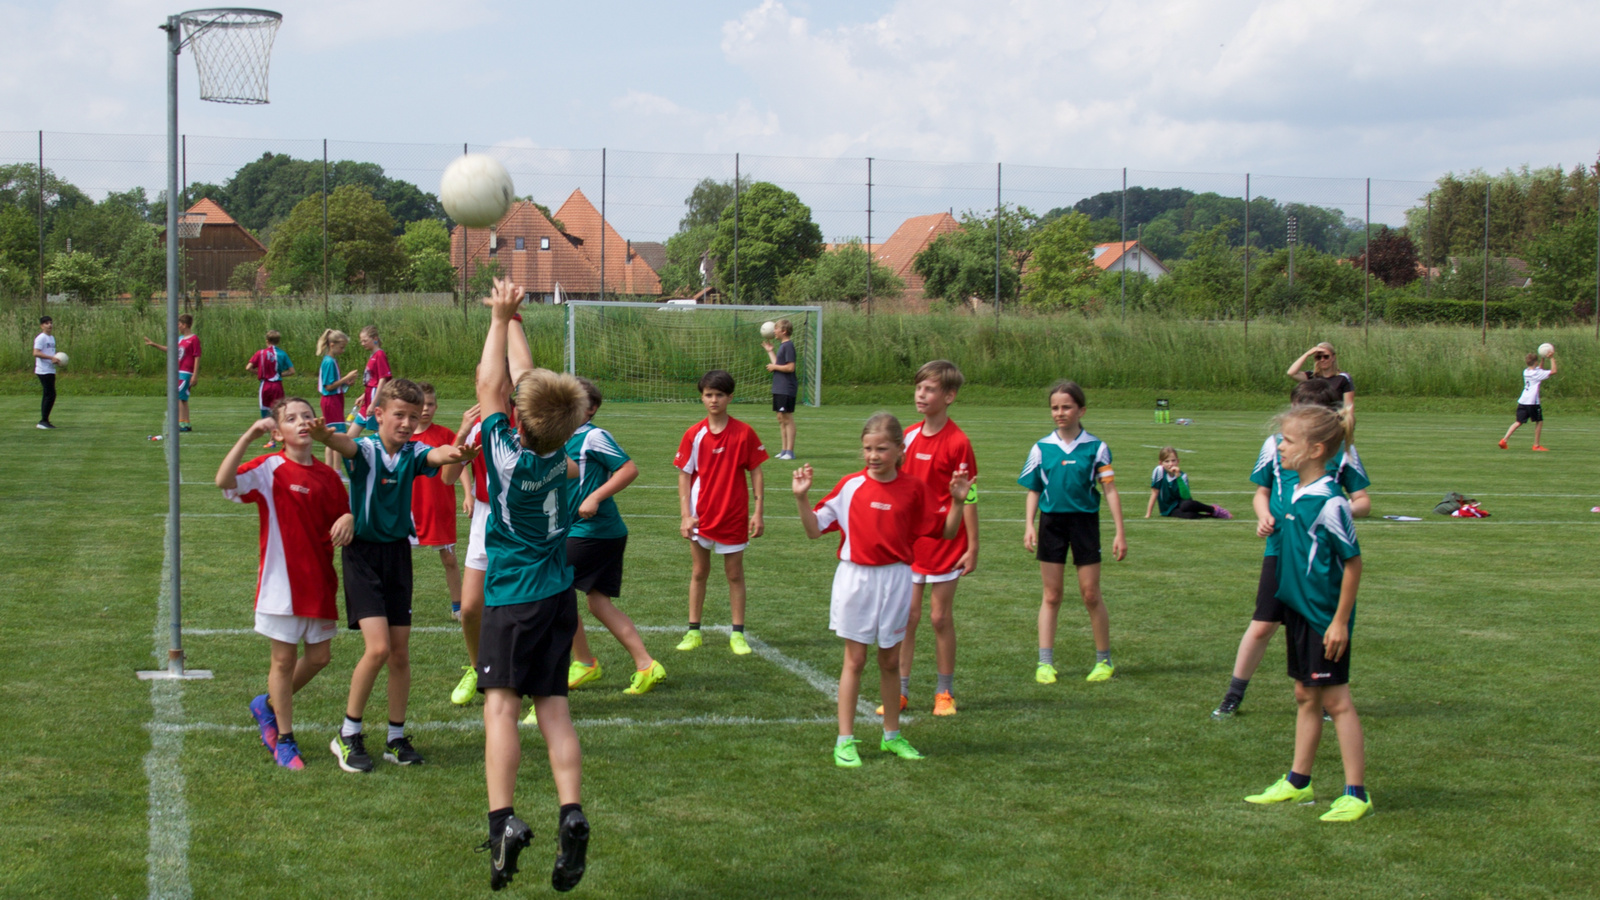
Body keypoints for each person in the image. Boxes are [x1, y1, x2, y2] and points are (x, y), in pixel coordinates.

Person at [472, 277, 590, 892]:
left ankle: (503, 822)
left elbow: (490, 384)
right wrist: (514, 318)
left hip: (512, 597)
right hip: (557, 595)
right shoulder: (566, 456)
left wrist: (498, 318)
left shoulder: (506, 453)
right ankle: (571, 811)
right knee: (555, 708)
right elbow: (520, 384)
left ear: (517, 423)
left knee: (500, 705)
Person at [312, 378, 475, 774]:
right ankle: (348, 734)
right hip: (363, 557)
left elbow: (437, 456)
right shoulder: (366, 450)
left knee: (400, 653)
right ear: (379, 414)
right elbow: (345, 444)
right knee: (379, 649)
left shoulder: (413, 452)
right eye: (399, 415)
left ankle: (395, 738)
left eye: (413, 417)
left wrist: (459, 449)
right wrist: (325, 436)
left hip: (398, 556)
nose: (406, 423)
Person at [793, 413, 974, 768]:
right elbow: (814, 530)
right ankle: (844, 741)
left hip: (897, 579)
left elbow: (947, 532)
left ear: (899, 450)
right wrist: (802, 498)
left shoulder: (914, 489)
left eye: (881, 449)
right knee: (855, 660)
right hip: (856, 580)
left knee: (890, 660)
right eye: (867, 449)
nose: (873, 456)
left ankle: (892, 736)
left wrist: (957, 501)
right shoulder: (850, 486)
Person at [1243, 402, 1371, 823]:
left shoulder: (1331, 502)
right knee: (1304, 694)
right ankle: (1299, 782)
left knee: (1337, 700)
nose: (1279, 446)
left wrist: (1339, 622)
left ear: (1316, 450)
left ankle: (1356, 793)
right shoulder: (1295, 492)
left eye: (1288, 440)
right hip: (1298, 610)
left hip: (1322, 617)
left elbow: (1353, 564)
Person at [1212, 379, 1370, 719]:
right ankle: (1233, 694)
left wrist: (1334, 511)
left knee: (1319, 622)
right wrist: (1264, 515)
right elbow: (1261, 492)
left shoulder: (1341, 451)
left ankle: (1327, 697)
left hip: (1317, 556)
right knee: (1262, 624)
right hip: (1280, 548)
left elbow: (1362, 501)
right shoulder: (1276, 446)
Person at [216, 397, 353, 770]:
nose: (302, 422)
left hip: (319, 580)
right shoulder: (269, 468)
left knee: (320, 657)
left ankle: (267, 705)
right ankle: (285, 739)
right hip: (281, 585)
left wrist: (349, 517)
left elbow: (343, 513)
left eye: (307, 415)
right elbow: (224, 481)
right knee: (283, 659)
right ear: (278, 433)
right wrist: (248, 436)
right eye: (291, 419)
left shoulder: (328, 476)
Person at [1020, 380, 1127, 685]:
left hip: (1085, 525)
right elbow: (1033, 489)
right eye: (1055, 407)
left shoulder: (1097, 448)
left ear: (1081, 410)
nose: (1060, 413)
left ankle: (1104, 661)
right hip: (1051, 524)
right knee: (1052, 595)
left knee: (1090, 594)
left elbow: (1110, 490)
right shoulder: (1041, 448)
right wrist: (1029, 525)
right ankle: (1045, 663)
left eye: (1066, 407)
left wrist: (1120, 532)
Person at [565, 377, 666, 696]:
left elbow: (628, 469)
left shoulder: (593, 436)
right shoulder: (561, 437)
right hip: (593, 531)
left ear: (591, 409)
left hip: (594, 531)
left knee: (554, 588)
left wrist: (595, 497)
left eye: (576, 402)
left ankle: (584, 662)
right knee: (597, 603)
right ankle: (646, 665)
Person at [891, 360, 978, 717]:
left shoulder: (958, 442)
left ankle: (945, 692)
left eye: (929, 389)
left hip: (946, 542)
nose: (921, 395)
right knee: (907, 617)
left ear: (949, 396)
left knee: (939, 617)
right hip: (911, 544)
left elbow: (968, 496)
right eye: (918, 388)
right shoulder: (907, 437)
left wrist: (973, 546)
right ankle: (899, 691)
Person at [673, 370, 768, 656]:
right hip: (700, 516)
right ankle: (693, 631)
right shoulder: (694, 434)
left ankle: (737, 634)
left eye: (719, 395)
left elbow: (756, 471)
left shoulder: (744, 432)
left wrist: (758, 511)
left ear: (730, 397)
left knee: (734, 574)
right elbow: (684, 475)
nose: (714, 400)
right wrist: (685, 515)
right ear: (702, 398)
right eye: (708, 395)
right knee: (699, 571)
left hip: (734, 515)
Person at [409, 383, 465, 623]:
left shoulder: (444, 434)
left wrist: (469, 494)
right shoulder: (403, 436)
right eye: (422, 404)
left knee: (449, 558)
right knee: (400, 560)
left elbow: (460, 463)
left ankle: (458, 607)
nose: (426, 409)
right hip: (408, 507)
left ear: (436, 406)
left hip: (438, 505)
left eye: (430, 404)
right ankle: (399, 605)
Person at [143, 314, 201, 432]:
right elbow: (171, 350)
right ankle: (186, 423)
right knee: (183, 399)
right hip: (178, 371)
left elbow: (197, 356)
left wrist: (195, 375)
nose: (178, 326)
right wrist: (154, 344)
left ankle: (180, 423)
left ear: (185, 325)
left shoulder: (194, 339)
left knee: (177, 395)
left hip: (186, 372)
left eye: (179, 324)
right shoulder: (180, 339)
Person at [316, 329, 361, 468]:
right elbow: (329, 386)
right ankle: (336, 469)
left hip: (334, 400)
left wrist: (346, 383)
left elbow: (334, 384)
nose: (343, 350)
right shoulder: (329, 362)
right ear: (332, 344)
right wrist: (346, 377)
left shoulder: (331, 360)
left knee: (332, 435)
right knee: (337, 435)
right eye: (341, 347)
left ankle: (332, 469)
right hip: (331, 401)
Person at [1144, 447, 1230, 519]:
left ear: (1178, 461)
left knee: (1187, 505)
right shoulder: (1159, 471)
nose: (1171, 464)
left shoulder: (1182, 475)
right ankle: (1211, 516)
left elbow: (1186, 496)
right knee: (1189, 516)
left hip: (1181, 502)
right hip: (1169, 508)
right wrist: (1148, 514)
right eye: (1167, 461)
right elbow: (1154, 493)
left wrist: (1178, 476)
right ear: (1161, 463)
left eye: (1173, 460)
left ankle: (1213, 509)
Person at [1500, 349, 1556, 451]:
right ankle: (1536, 445)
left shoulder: (1526, 371)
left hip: (1523, 400)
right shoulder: (1536, 374)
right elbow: (1553, 371)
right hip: (1532, 402)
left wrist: (1543, 358)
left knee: (1518, 422)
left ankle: (1504, 440)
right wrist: (1551, 358)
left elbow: (1540, 369)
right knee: (1539, 421)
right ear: (1535, 362)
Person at [247, 330, 295, 450]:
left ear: (267, 341)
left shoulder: (260, 353)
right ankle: (281, 439)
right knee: (279, 411)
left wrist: (259, 373)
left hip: (265, 385)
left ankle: (272, 440)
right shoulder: (282, 354)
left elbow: (248, 367)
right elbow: (292, 371)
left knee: (266, 412)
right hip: (277, 385)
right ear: (278, 341)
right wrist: (281, 374)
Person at [347, 324, 391, 442]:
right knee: (350, 437)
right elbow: (373, 380)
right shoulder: (373, 355)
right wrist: (363, 395)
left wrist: (373, 403)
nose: (362, 343)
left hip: (374, 399)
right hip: (368, 399)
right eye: (361, 341)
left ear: (375, 339)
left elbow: (382, 380)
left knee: (380, 436)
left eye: (365, 340)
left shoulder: (380, 355)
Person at [763, 319, 798, 460]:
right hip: (779, 387)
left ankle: (790, 451)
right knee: (780, 418)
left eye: (776, 328)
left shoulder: (788, 346)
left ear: (784, 331)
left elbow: (790, 367)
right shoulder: (783, 346)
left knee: (787, 418)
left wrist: (774, 367)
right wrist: (770, 351)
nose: (774, 331)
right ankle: (784, 450)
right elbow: (778, 364)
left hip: (786, 388)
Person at [1287, 342, 1354, 415]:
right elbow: (1291, 373)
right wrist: (1307, 354)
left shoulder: (1343, 378)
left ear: (1333, 357)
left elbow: (1348, 406)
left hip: (1334, 418)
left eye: (1326, 356)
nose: (1322, 360)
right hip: (1316, 417)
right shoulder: (1311, 376)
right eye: (1318, 357)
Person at [32, 315, 60, 429]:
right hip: (43, 370)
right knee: (50, 395)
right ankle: (43, 421)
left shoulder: (51, 338)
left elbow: (50, 353)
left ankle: (45, 420)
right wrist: (51, 358)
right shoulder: (41, 338)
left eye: (50, 323)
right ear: (41, 326)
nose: (49, 325)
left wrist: (56, 360)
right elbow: (36, 353)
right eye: (46, 323)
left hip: (50, 369)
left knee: (48, 394)